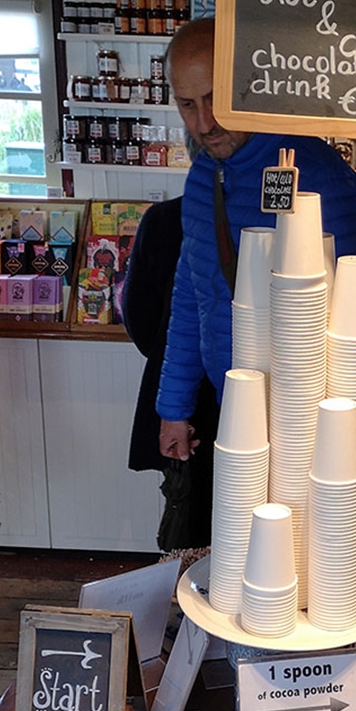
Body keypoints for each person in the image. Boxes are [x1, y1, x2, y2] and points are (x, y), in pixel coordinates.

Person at [155, 17, 356, 468]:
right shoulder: (203, 178)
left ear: (249, 82)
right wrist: (173, 408)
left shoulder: (322, 177)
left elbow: (353, 322)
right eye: (187, 105)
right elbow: (191, 297)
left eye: (215, 100)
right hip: (231, 408)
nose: (204, 124)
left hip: (309, 424)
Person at [122, 196, 217, 549]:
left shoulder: (163, 218)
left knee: (187, 503)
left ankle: (192, 594)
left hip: (181, 392)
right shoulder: (271, 214)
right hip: (251, 392)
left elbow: (136, 312)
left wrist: (171, 358)